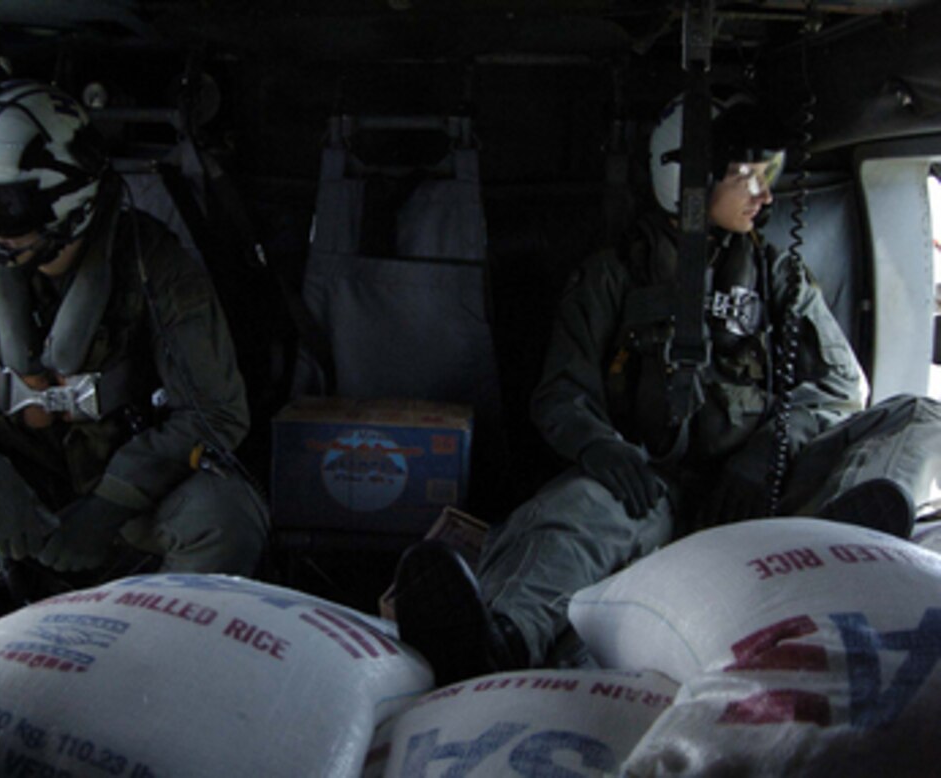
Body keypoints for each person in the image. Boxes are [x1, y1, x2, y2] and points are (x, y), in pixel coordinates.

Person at [394, 91, 941, 687]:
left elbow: (842, 383)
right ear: (684, 179)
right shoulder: (614, 275)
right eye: (747, 177)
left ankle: (851, 550)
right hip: (649, 489)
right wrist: (600, 447)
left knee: (918, 413)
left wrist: (770, 448)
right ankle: (497, 636)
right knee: (573, 513)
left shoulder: (776, 275)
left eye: (770, 176)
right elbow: (560, 392)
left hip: (762, 490)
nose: (764, 195)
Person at [0, 79, 269, 679]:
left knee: (226, 514)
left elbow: (216, 413)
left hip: (127, 513)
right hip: (6, 506)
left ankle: (163, 688)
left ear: (63, 196)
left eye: (1, 208)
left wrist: (110, 502)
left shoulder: (155, 268)